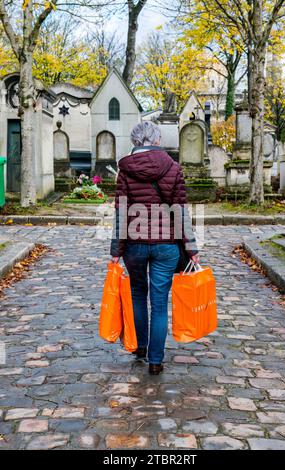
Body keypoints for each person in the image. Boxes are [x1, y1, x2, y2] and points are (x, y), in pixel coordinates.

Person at [110, 121, 199, 375]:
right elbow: (181, 212)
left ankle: (140, 347)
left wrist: (116, 250)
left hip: (134, 246)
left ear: (136, 141)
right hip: (166, 246)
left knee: (138, 295)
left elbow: (121, 214)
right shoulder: (173, 168)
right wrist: (191, 248)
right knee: (159, 304)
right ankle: (156, 361)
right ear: (157, 140)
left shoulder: (125, 170)